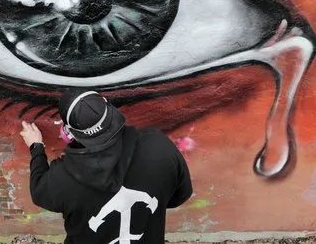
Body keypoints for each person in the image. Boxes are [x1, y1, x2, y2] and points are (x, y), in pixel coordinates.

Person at [20, 88, 193, 244]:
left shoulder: (61, 178)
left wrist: (37, 147)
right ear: (107, 105)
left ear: (68, 133)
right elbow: (180, 195)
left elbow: (38, 191)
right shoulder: (159, 145)